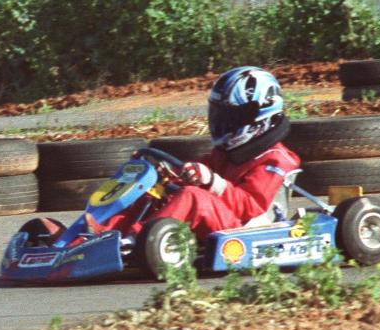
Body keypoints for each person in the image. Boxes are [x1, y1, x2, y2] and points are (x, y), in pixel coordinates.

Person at [108, 66, 300, 238]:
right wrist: (167, 175)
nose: (222, 123)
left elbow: (251, 207)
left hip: (250, 229)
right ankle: (103, 234)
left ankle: (137, 240)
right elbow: (196, 175)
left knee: (193, 197)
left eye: (230, 117)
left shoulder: (275, 160)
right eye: (219, 115)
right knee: (152, 192)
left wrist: (212, 181)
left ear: (258, 116)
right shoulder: (228, 152)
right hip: (223, 221)